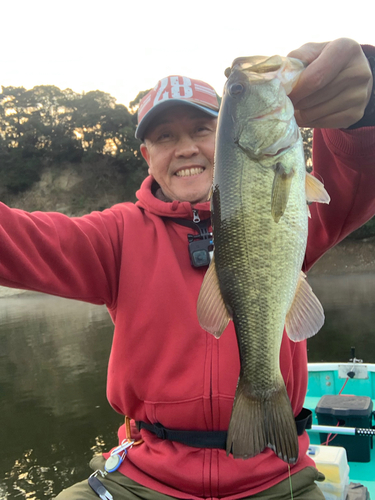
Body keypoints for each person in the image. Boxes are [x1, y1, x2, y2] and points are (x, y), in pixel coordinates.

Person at [1, 38, 374, 500]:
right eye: (164, 137)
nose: (184, 148)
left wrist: (364, 109)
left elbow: (359, 178)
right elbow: (15, 241)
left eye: (201, 128)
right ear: (147, 155)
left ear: (224, 135)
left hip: (276, 477)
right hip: (143, 476)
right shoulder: (116, 235)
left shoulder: (289, 205)